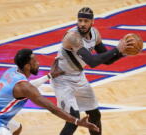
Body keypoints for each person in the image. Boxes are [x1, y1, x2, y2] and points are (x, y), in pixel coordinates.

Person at [0, 48, 99, 135]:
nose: (38, 63)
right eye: (35, 61)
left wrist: (49, 76)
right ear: (27, 66)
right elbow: (52, 108)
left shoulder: (13, 71)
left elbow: (28, 86)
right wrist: (76, 121)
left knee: (16, 129)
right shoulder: (24, 87)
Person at [51, 7, 135, 135]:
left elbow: (106, 60)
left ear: (92, 22)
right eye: (80, 20)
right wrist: (117, 49)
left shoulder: (95, 34)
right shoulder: (72, 37)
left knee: (95, 115)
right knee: (73, 119)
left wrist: (122, 53)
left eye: (86, 21)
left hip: (78, 77)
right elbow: (92, 62)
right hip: (62, 79)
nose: (82, 24)